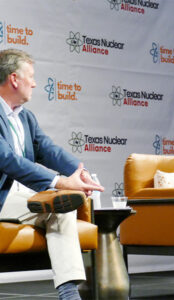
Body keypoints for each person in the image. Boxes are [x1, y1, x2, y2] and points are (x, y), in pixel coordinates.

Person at [0, 48, 104, 300]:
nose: (35, 83)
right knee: (59, 194)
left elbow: (48, 150)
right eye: (31, 76)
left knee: (61, 206)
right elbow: (7, 160)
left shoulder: (25, 117)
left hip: (15, 198)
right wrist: (59, 181)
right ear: (14, 79)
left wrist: (80, 173)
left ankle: (69, 294)